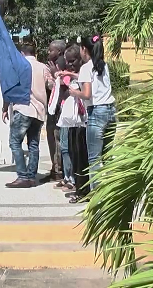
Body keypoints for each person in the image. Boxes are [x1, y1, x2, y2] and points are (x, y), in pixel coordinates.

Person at [67, 35, 116, 190]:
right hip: (111, 111)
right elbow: (93, 80)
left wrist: (75, 92)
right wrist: (72, 75)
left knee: (94, 158)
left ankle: (96, 196)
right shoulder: (103, 65)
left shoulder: (85, 68)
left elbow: (87, 94)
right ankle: (110, 191)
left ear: (84, 50)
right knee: (107, 156)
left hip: (96, 113)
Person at [2, 43, 49, 188]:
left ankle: (22, 176)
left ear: (22, 53)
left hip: (24, 108)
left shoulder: (18, 67)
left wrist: (4, 107)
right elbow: (51, 86)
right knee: (33, 144)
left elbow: (9, 87)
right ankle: (31, 176)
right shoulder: (43, 67)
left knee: (14, 142)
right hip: (39, 110)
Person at [55, 44, 90, 203]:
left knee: (82, 158)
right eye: (67, 62)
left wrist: (73, 89)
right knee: (74, 155)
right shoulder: (77, 75)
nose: (69, 64)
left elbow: (85, 94)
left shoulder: (86, 73)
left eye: (73, 61)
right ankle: (78, 186)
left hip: (83, 123)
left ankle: (83, 190)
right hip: (73, 124)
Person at [41, 40, 66, 184]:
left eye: (51, 50)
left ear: (59, 51)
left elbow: (56, 86)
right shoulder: (55, 64)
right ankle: (55, 168)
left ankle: (58, 170)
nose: (48, 53)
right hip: (54, 108)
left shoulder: (60, 64)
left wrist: (50, 79)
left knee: (56, 137)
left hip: (57, 109)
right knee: (53, 137)